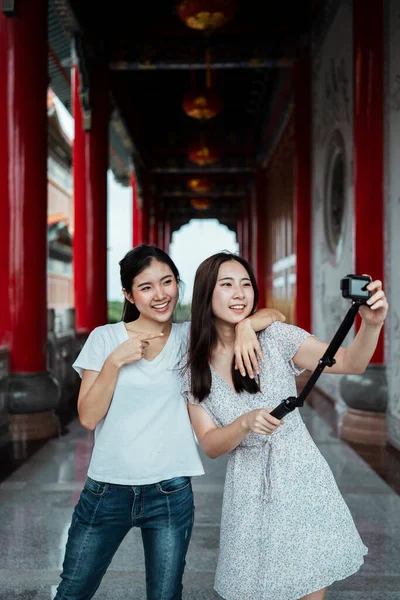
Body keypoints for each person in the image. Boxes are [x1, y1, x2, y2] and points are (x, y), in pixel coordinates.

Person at [54, 244, 284, 600]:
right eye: (146, 287)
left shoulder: (190, 338)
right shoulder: (105, 339)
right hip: (106, 490)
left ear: (178, 283)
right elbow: (88, 416)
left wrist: (247, 327)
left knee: (165, 595)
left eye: (167, 282)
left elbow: (274, 316)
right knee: (73, 590)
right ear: (129, 294)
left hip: (169, 493)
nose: (160, 295)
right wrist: (115, 362)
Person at [182, 251, 388, 600]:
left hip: (300, 476)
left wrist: (372, 324)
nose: (239, 293)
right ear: (205, 294)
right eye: (227, 284)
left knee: (308, 587)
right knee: (254, 589)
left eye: (246, 284)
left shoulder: (276, 337)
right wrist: (245, 423)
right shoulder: (194, 369)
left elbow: (351, 363)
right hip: (247, 491)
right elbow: (211, 446)